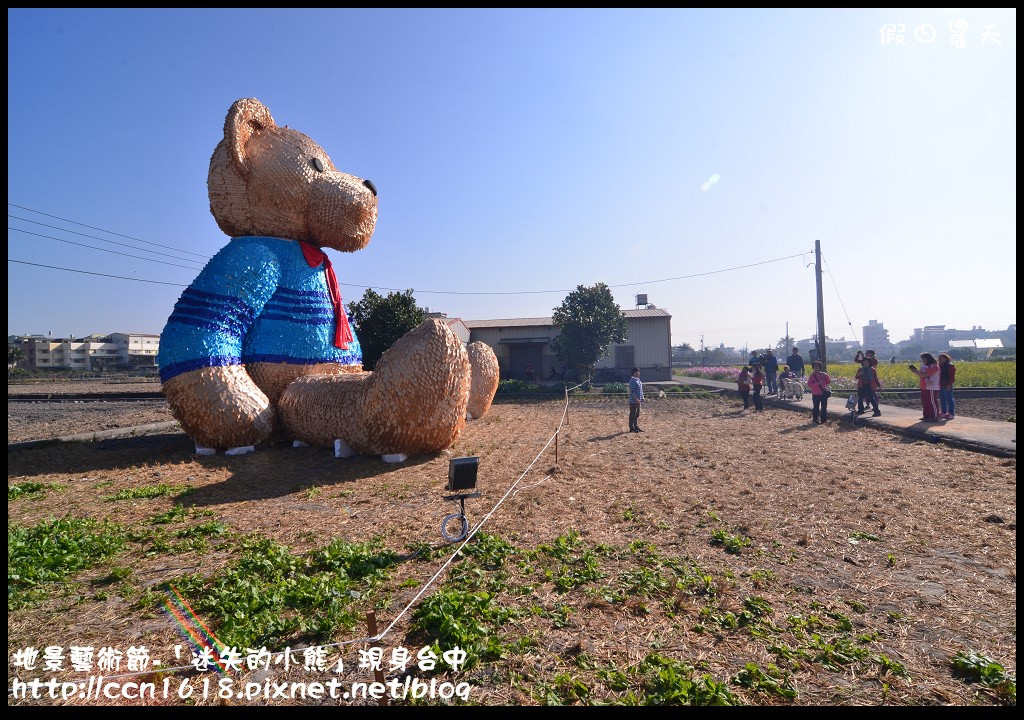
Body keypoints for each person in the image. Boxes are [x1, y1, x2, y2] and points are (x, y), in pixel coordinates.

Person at [909, 353, 941, 421]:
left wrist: (916, 371)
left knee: (932, 402)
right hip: (924, 386)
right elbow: (921, 374)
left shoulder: (934, 366)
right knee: (925, 402)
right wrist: (916, 371)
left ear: (928, 358)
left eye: (923, 359)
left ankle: (934, 417)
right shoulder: (923, 366)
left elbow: (925, 375)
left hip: (931, 387)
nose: (922, 360)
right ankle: (926, 416)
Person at [938, 353, 956, 420]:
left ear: (946, 359)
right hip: (941, 384)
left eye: (941, 358)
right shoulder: (940, 366)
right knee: (942, 399)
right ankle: (944, 412)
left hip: (947, 384)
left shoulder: (950, 366)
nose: (939, 360)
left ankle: (951, 413)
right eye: (939, 358)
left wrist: (949, 384)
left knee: (949, 399)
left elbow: (952, 377)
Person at [628, 366, 645, 432]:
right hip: (633, 401)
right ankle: (631, 427)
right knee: (633, 414)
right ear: (634, 373)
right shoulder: (632, 381)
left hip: (638, 400)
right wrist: (636, 399)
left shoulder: (638, 380)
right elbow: (632, 392)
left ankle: (636, 426)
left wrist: (642, 397)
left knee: (637, 414)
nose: (639, 373)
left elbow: (641, 390)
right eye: (638, 372)